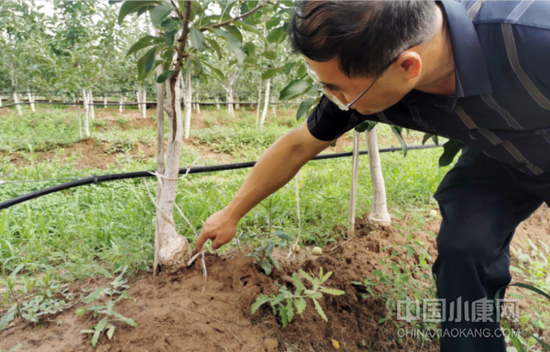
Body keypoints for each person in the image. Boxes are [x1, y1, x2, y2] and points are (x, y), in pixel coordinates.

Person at [195, 1, 550, 351]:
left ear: (407, 67)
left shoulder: (532, 36)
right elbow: (297, 146)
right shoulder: (368, 75)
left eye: (339, 88)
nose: (336, 99)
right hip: (496, 156)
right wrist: (230, 214)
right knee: (464, 245)